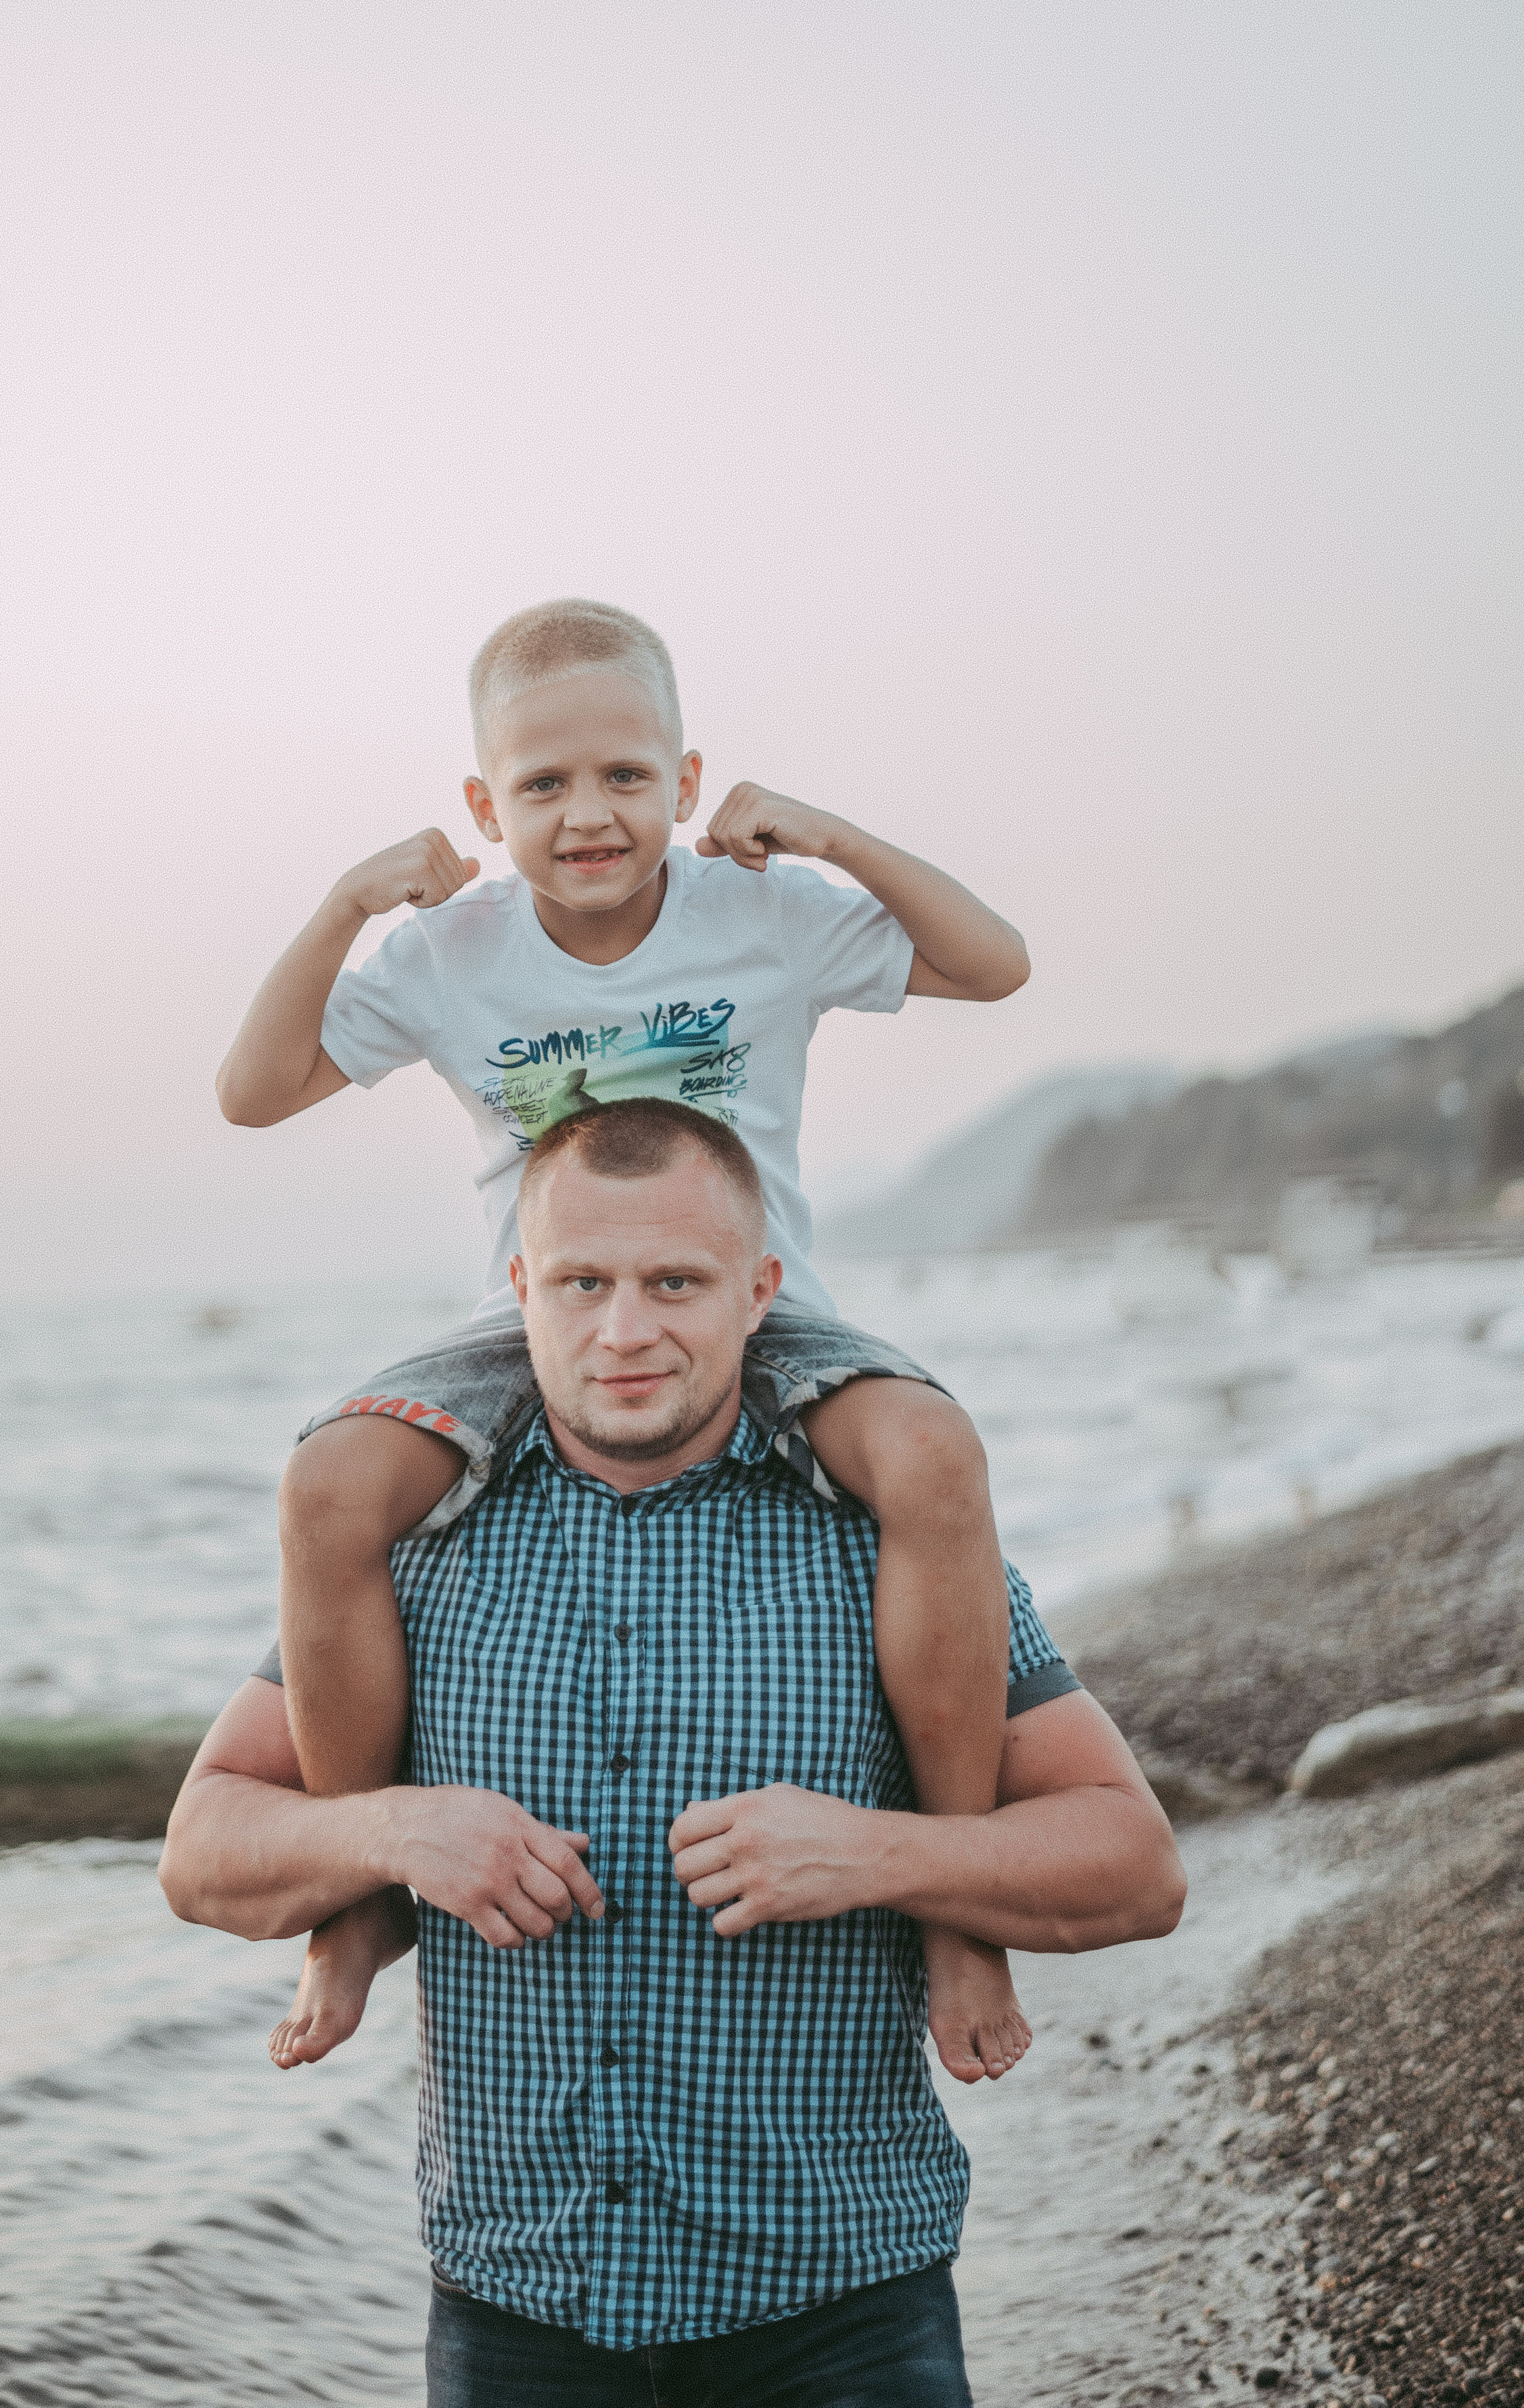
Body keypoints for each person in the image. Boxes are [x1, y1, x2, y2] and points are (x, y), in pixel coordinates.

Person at [161, 1099, 1186, 2405]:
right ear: (521, 1288)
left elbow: (1136, 1868)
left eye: (676, 1283)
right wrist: (392, 1829)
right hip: (513, 2320)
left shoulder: (888, 1546)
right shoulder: (406, 1556)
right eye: (583, 1283)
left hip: (843, 2317)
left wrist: (880, 1856)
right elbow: (203, 1851)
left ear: (760, 1292)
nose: (626, 1330)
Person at [214, 598, 1036, 2084]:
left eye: (623, 778)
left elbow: (994, 967)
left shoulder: (764, 916)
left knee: (926, 1449)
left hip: (763, 1313)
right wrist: (349, 900)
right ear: (483, 804)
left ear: (682, 775)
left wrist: (830, 836)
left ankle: (954, 1895)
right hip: (529, 1317)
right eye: (540, 786)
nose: (586, 815)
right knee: (329, 1483)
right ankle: (350, 1904)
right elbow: (251, 1092)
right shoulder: (450, 953)